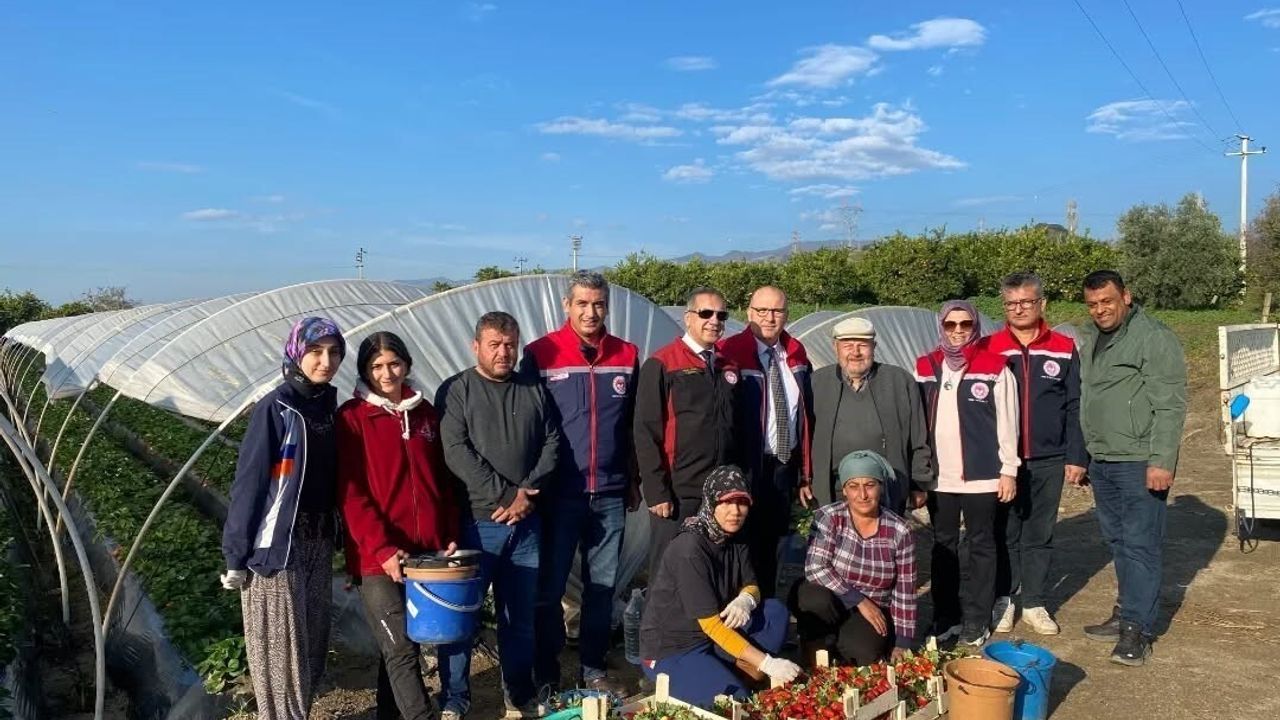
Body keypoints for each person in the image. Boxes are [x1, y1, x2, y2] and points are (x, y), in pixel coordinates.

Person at [436, 312, 561, 718]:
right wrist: (507, 493)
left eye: (510, 344)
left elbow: (553, 443)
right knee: (461, 618)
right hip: (475, 524)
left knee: (519, 618)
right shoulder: (457, 390)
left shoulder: (533, 389)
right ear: (476, 346)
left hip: (526, 525)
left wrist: (526, 495)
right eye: (494, 344)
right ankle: (455, 699)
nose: (503, 352)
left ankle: (518, 694)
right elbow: (456, 451)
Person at [220, 317, 345, 720]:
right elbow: (250, 485)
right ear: (296, 353)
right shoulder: (276, 409)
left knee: (310, 645)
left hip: (318, 542)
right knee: (282, 653)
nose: (325, 361)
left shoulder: (328, 408)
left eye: (333, 352)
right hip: (279, 547)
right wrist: (235, 555)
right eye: (315, 351)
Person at [336, 331, 464, 720]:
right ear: (364, 371)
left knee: (403, 643)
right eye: (376, 366)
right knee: (400, 649)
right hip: (379, 557)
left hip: (427, 551)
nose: (386, 373)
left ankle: (389, 713)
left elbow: (443, 481)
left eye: (394, 363)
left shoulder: (425, 414)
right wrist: (382, 548)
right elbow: (351, 494)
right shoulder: (353, 418)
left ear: (406, 364)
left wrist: (449, 535)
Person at [522, 272, 638, 695]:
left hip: (609, 491)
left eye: (599, 304)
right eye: (583, 304)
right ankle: (547, 673)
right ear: (566, 306)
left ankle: (593, 668)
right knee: (549, 588)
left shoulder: (626, 354)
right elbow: (531, 425)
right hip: (558, 494)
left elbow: (632, 427)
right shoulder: (541, 353)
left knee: (602, 587)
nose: (591, 312)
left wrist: (634, 478)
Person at [1077, 270, 1187, 667]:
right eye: (1092, 304)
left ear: (1126, 296)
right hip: (1104, 459)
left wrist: (1161, 460)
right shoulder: (1090, 339)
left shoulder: (1153, 338)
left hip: (1139, 460)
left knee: (1141, 545)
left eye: (1107, 301)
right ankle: (1125, 611)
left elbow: (1170, 404)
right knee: (1118, 541)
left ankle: (1137, 629)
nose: (1100, 310)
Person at [639, 465, 801, 708]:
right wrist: (768, 663)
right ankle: (710, 676)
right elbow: (712, 625)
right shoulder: (690, 549)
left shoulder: (736, 537)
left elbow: (752, 584)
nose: (735, 512)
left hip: (711, 638)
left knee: (775, 611)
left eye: (742, 503)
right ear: (711, 503)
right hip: (674, 648)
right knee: (733, 701)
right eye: (726, 503)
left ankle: (730, 669)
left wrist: (746, 599)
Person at [982, 272, 1088, 636]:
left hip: (1050, 457)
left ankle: (1036, 602)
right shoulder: (989, 347)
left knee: (1039, 532)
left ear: (1042, 304)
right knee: (1004, 532)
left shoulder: (1062, 346)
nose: (1019, 309)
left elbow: (1075, 404)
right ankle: (1005, 599)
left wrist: (1077, 456)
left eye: (1026, 302)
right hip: (1002, 462)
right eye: (1011, 304)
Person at [915, 300, 1018, 647]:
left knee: (981, 546)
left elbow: (1008, 423)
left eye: (964, 324)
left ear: (975, 327)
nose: (958, 331)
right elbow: (917, 423)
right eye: (950, 325)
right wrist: (920, 473)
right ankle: (946, 616)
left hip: (983, 476)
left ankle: (977, 618)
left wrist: (1009, 470)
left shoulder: (995, 367)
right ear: (941, 327)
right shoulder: (926, 366)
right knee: (943, 545)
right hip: (939, 478)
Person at [635, 286, 743, 578]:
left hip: (720, 492)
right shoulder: (662, 364)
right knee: (669, 570)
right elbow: (645, 431)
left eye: (722, 315)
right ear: (688, 318)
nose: (714, 321)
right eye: (705, 313)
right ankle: (656, 625)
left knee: (712, 570)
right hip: (679, 491)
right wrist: (657, 492)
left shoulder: (728, 366)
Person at [718, 285, 814, 597]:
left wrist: (804, 473)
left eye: (777, 311)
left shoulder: (796, 354)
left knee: (774, 542)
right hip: (745, 465)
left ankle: (767, 609)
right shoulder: (730, 352)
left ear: (787, 314)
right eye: (762, 311)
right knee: (739, 539)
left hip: (782, 465)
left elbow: (805, 416)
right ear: (748, 313)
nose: (769, 318)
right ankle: (735, 611)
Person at [790, 450, 917, 666]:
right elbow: (815, 568)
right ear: (845, 491)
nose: (863, 495)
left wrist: (903, 641)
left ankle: (837, 643)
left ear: (881, 487)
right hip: (831, 598)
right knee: (814, 600)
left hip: (872, 607)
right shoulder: (829, 517)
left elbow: (904, 589)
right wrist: (858, 599)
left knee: (864, 653)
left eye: (870, 485)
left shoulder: (899, 531)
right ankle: (814, 643)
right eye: (853, 487)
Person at [811, 317, 932, 516]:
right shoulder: (818, 382)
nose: (855, 352)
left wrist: (919, 482)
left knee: (883, 543)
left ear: (874, 346)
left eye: (863, 345)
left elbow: (919, 434)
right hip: (834, 487)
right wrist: (804, 479)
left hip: (885, 485)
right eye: (848, 345)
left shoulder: (899, 381)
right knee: (835, 542)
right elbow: (805, 435)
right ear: (835, 347)